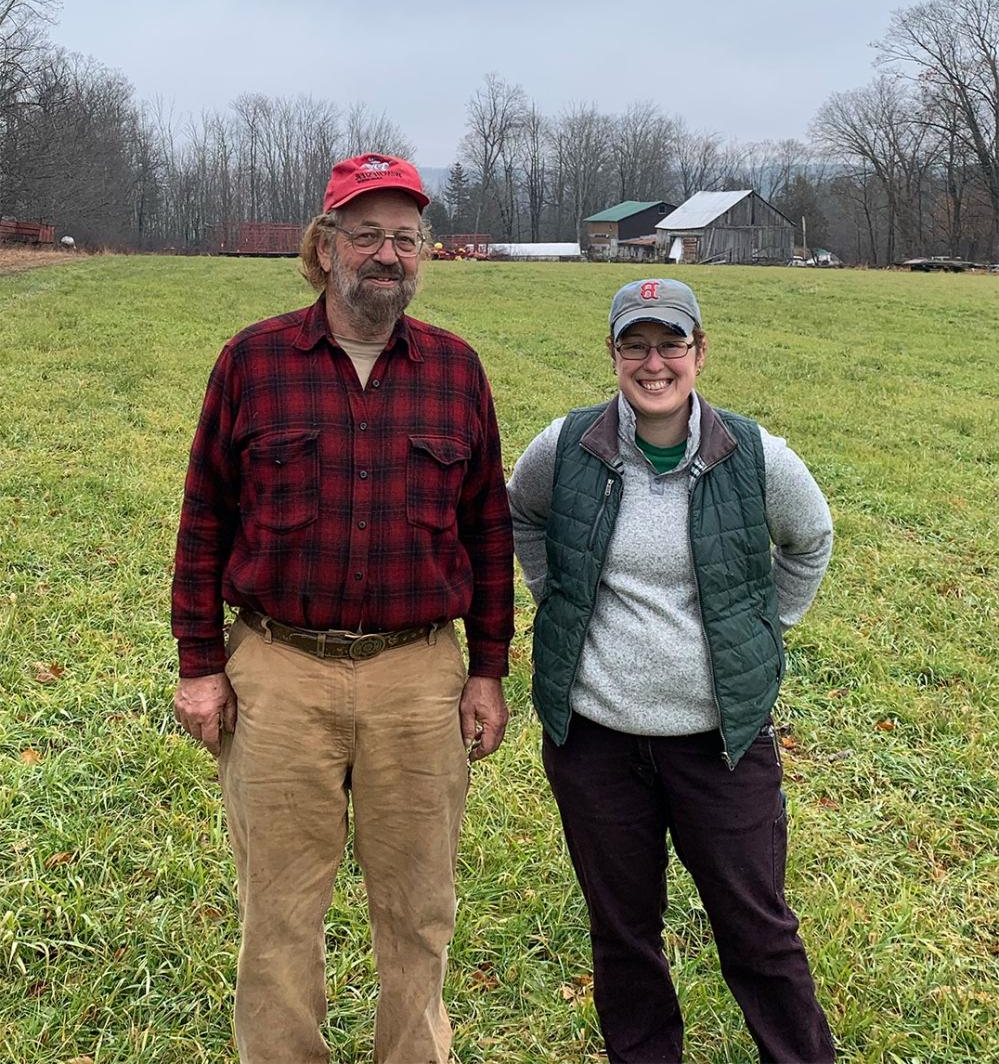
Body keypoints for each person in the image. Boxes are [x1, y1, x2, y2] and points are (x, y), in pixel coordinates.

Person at [171, 152, 514, 1064]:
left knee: (419, 910)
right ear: (324, 249)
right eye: (366, 235)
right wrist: (199, 664)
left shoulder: (454, 369)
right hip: (279, 672)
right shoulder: (253, 361)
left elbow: (487, 526)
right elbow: (205, 515)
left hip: (418, 675)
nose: (388, 254)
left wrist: (487, 670)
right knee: (278, 916)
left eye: (406, 238)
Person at [507, 278, 836, 1064]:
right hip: (595, 740)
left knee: (756, 928)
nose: (653, 363)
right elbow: (521, 513)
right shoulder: (567, 446)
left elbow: (809, 540)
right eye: (634, 344)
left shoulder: (756, 456)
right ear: (612, 354)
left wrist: (764, 626)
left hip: (718, 741)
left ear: (698, 353)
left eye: (670, 344)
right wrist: (556, 595)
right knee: (622, 931)